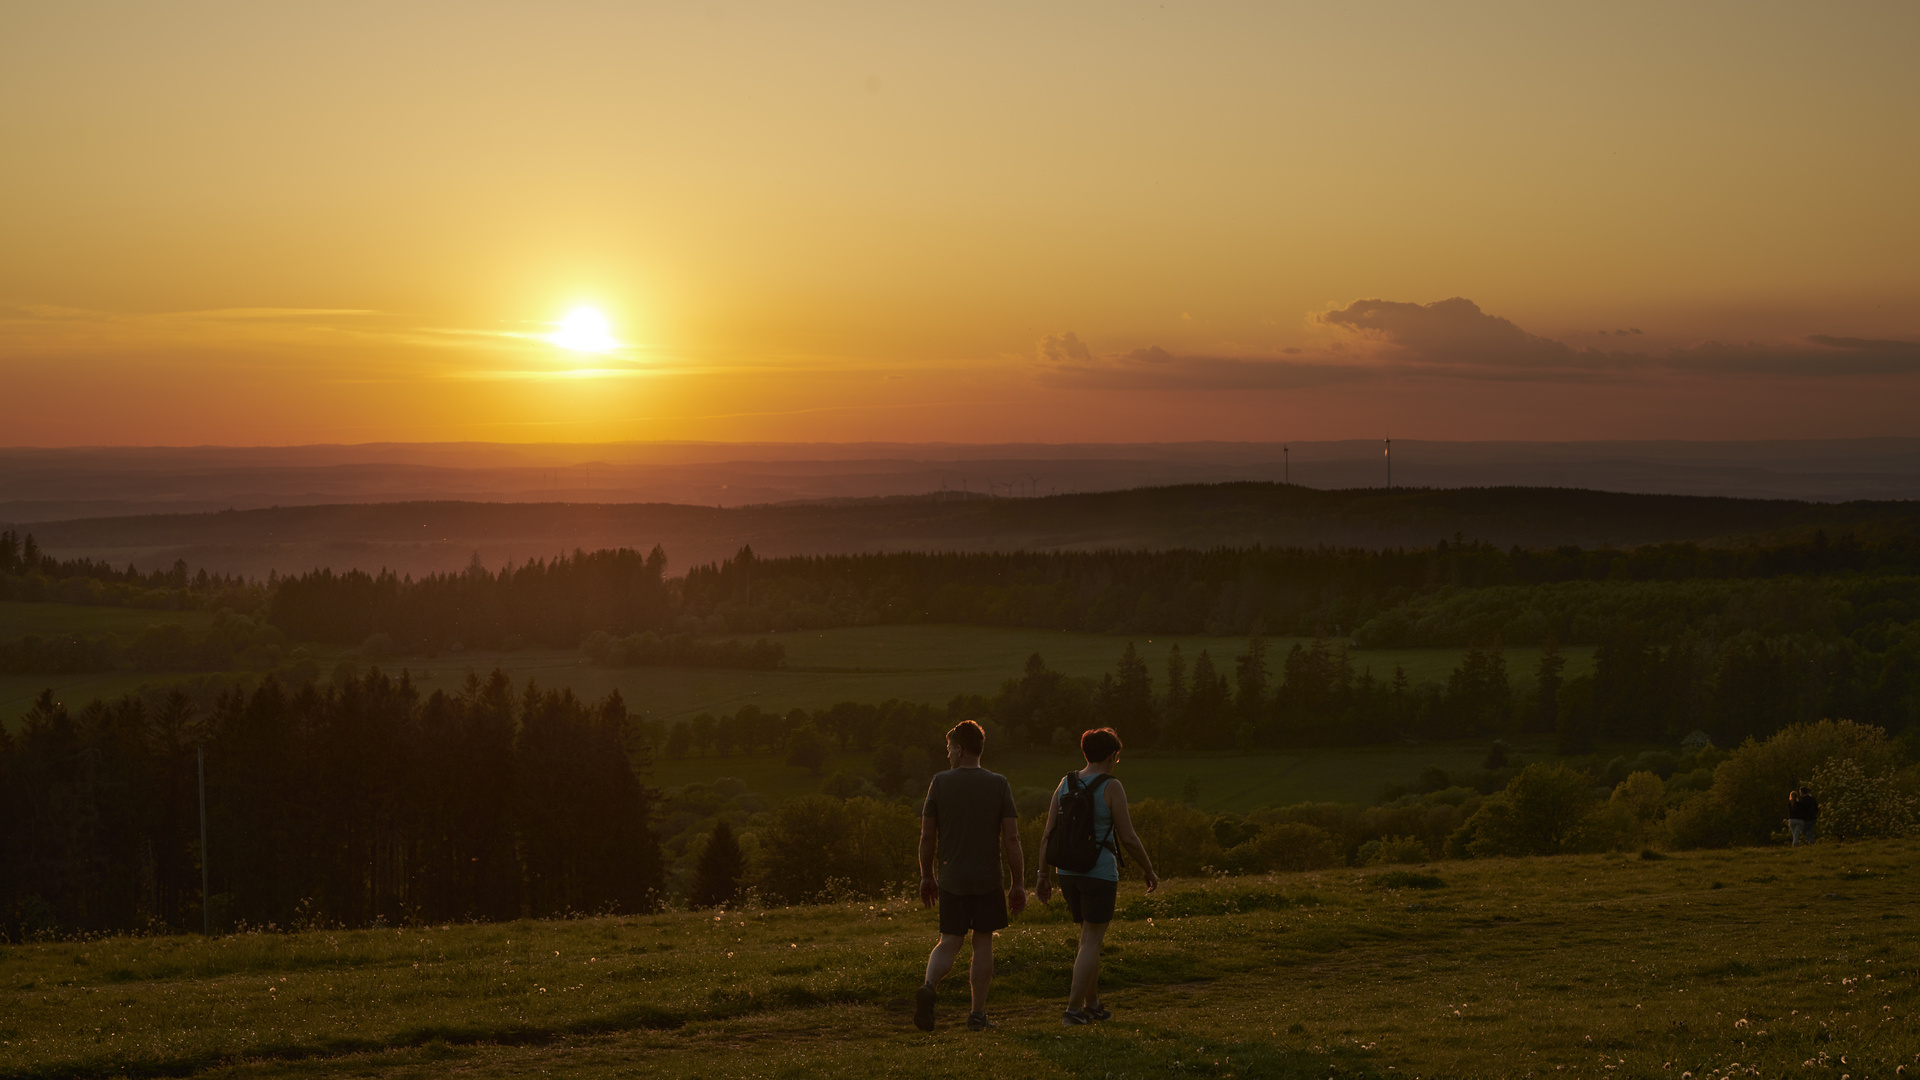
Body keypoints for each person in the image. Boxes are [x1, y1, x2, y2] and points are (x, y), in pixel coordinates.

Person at [1036, 727, 1159, 1026]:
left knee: (1086, 939)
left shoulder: (1065, 783)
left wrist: (1042, 875)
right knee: (1092, 940)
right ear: (1113, 755)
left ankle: (1092, 1005)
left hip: (1066, 872)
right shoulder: (1111, 786)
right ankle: (1073, 1011)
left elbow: (1048, 833)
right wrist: (1148, 868)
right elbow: (1128, 837)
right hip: (1099, 872)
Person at [914, 719, 1026, 1032]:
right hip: (988, 878)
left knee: (949, 941)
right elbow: (1012, 839)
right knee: (983, 943)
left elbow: (927, 838)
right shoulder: (999, 783)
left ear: (960, 750)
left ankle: (929, 987)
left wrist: (926, 876)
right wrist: (1017, 883)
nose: (947, 754)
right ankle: (977, 1015)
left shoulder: (939, 782)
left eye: (949, 748)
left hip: (951, 878)